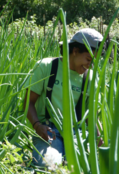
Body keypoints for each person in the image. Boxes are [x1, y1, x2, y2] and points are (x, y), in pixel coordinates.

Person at [23, 28, 104, 167]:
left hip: (76, 133)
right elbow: (28, 102)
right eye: (89, 59)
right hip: (48, 131)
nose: (91, 65)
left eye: (94, 61)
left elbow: (90, 114)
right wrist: (37, 126)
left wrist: (99, 137)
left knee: (80, 167)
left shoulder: (90, 77)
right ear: (75, 51)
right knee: (50, 166)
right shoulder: (47, 67)